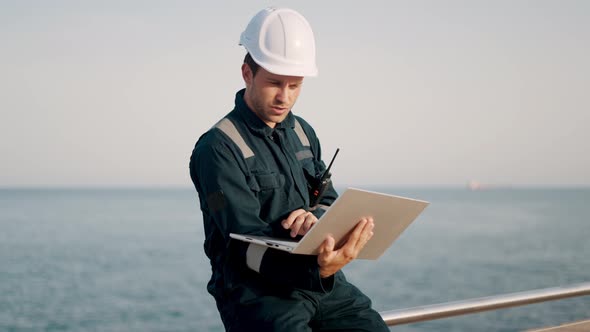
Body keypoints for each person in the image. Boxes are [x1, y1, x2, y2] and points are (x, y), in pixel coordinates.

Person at [189, 7, 389, 332]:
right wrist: (319, 270)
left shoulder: (302, 132)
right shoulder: (217, 148)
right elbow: (241, 245)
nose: (285, 97)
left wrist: (318, 219)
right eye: (275, 83)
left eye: (295, 85)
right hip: (256, 293)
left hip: (320, 282)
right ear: (247, 73)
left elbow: (327, 198)